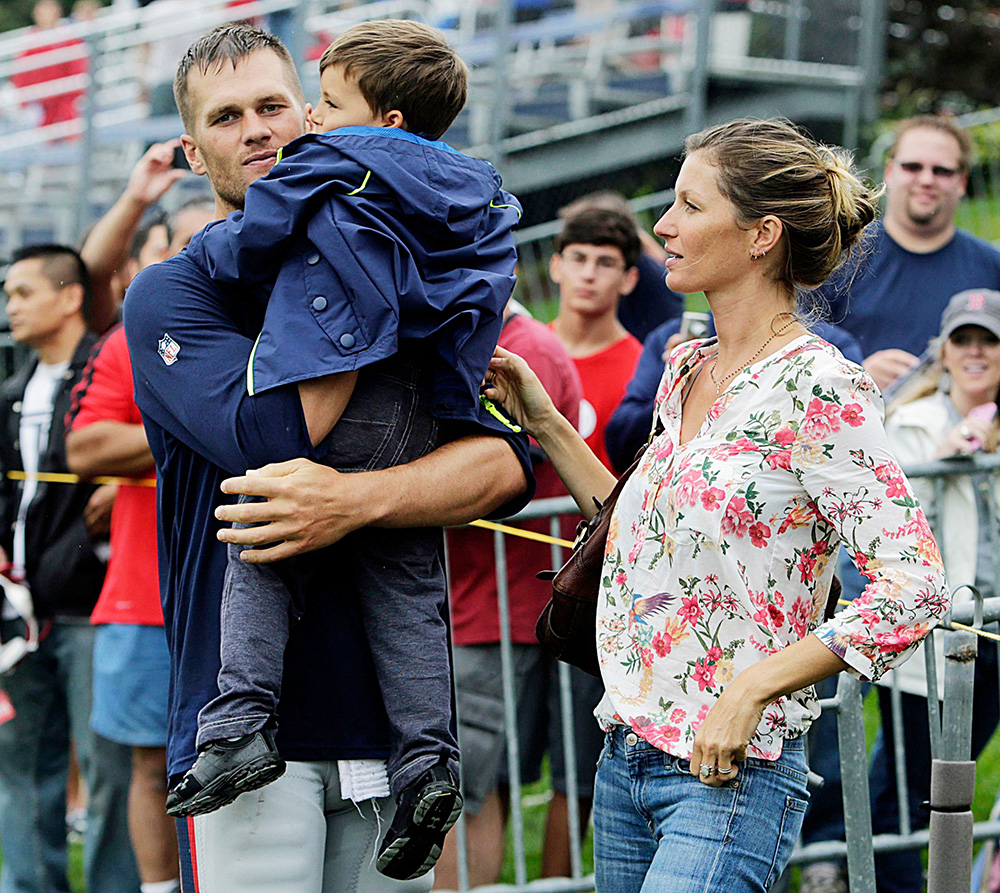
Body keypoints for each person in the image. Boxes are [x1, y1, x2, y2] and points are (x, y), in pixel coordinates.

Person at [482, 117, 951, 892]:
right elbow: (638, 532)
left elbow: (915, 586)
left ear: (762, 234)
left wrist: (751, 687)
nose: (662, 226)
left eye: (690, 206)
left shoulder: (820, 386)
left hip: (731, 774)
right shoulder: (688, 370)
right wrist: (543, 420)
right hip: (625, 756)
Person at [122, 22, 533, 893]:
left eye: (275, 105)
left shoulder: (398, 249)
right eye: (229, 117)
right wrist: (357, 291)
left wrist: (356, 501)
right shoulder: (177, 288)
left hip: (395, 732)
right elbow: (272, 438)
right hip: (248, 740)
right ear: (194, 153)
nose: (259, 130)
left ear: (315, 118)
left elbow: (500, 467)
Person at [63, 175, 215, 893]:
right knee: (150, 764)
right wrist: (199, 426)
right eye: (184, 243)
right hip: (141, 595)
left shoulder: (265, 323)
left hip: (248, 591)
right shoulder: (133, 334)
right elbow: (86, 449)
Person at [0, 244, 140, 893]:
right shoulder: (10, 392)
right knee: (22, 767)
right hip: (19, 614)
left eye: (23, 292)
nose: (11, 307)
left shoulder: (114, 362)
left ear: (70, 296)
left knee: (110, 768)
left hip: (96, 604)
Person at [437, 298, 583, 889]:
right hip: (482, 608)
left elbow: (495, 467)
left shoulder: (529, 350)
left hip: (505, 611)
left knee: (460, 791)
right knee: (478, 785)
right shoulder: (497, 341)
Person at [860, 288, 1000, 893]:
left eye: (989, 342)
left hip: (992, 632)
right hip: (931, 642)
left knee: (956, 778)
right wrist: (947, 461)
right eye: (963, 340)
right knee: (907, 787)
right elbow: (895, 532)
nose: (975, 353)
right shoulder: (911, 424)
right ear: (942, 352)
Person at [820, 115, 1000, 394]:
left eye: (942, 171)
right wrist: (854, 367)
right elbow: (797, 328)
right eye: (913, 167)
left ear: (962, 181)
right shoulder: (840, 255)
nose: (926, 180)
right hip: (855, 419)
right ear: (890, 171)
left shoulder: (991, 268)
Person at [605, 315, 865, 474]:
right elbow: (620, 448)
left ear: (762, 236)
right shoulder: (677, 347)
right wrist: (674, 393)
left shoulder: (830, 355)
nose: (664, 229)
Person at [12, 0, 88, 137]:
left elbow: (78, 66)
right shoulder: (30, 40)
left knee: (72, 131)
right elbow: (21, 74)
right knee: (42, 139)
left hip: (66, 97)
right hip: (41, 102)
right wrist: (24, 101)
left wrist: (77, 93)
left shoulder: (67, 36)